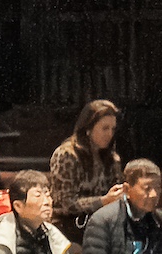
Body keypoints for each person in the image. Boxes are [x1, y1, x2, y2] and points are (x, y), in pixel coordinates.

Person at [46, 100, 126, 239]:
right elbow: (66, 203)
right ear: (88, 129)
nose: (109, 134)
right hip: (69, 224)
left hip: (102, 222)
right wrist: (103, 201)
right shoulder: (67, 155)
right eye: (105, 128)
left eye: (112, 129)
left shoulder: (111, 158)